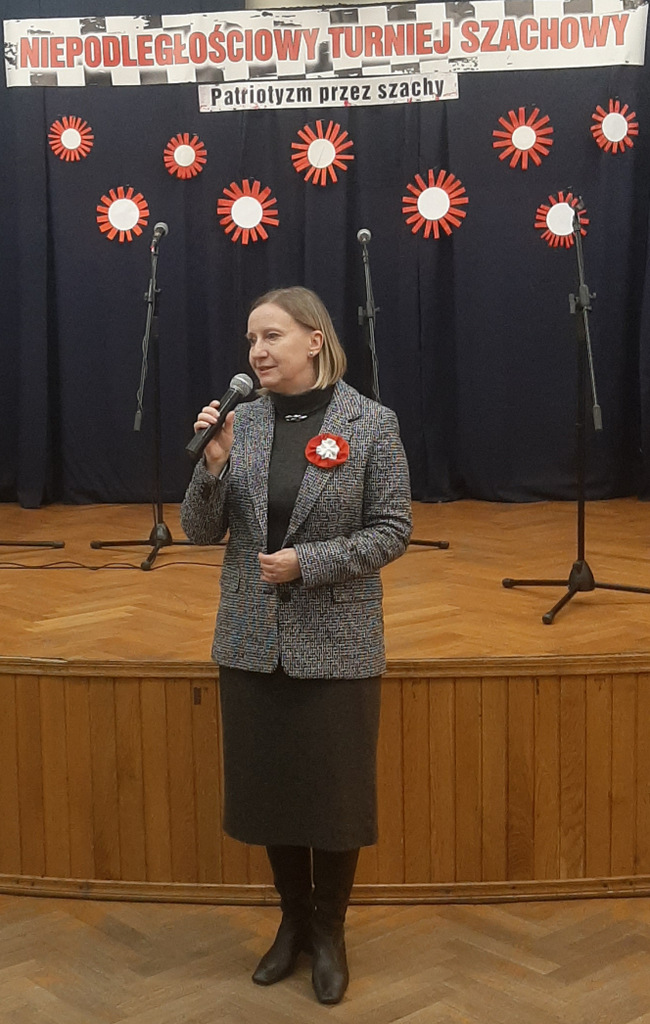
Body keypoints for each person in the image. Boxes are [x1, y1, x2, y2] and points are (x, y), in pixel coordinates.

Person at [180, 286, 412, 1004]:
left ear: (315, 340)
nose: (257, 350)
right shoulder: (242, 422)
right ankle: (292, 923)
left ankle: (330, 930)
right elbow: (199, 531)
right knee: (274, 792)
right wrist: (213, 465)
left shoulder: (370, 422)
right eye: (252, 338)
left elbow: (392, 529)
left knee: (334, 796)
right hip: (252, 638)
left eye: (272, 336)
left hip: (338, 642)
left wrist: (307, 563)